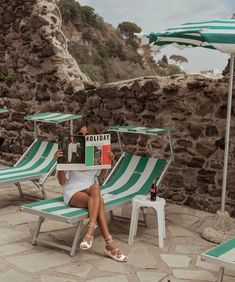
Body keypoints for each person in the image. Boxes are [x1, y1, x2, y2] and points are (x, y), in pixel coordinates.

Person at [54, 120, 128, 262]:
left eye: (87, 134)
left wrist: (108, 162)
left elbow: (100, 177)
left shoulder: (97, 152)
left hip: (91, 189)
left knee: (95, 189)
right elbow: (62, 182)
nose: (84, 136)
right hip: (73, 191)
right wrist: (60, 163)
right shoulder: (71, 151)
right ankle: (108, 243)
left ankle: (91, 232)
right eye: (80, 134)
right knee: (98, 200)